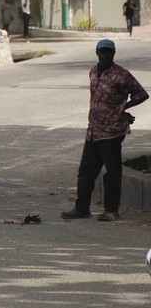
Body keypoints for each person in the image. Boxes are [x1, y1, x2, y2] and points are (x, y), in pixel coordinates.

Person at [62, 40, 148, 222]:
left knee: (112, 171)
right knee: (86, 171)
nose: (106, 55)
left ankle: (111, 210)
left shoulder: (122, 75)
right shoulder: (93, 71)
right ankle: (82, 208)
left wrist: (123, 108)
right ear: (97, 53)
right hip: (93, 130)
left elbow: (141, 94)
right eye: (103, 52)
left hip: (112, 131)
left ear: (114, 54)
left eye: (109, 52)